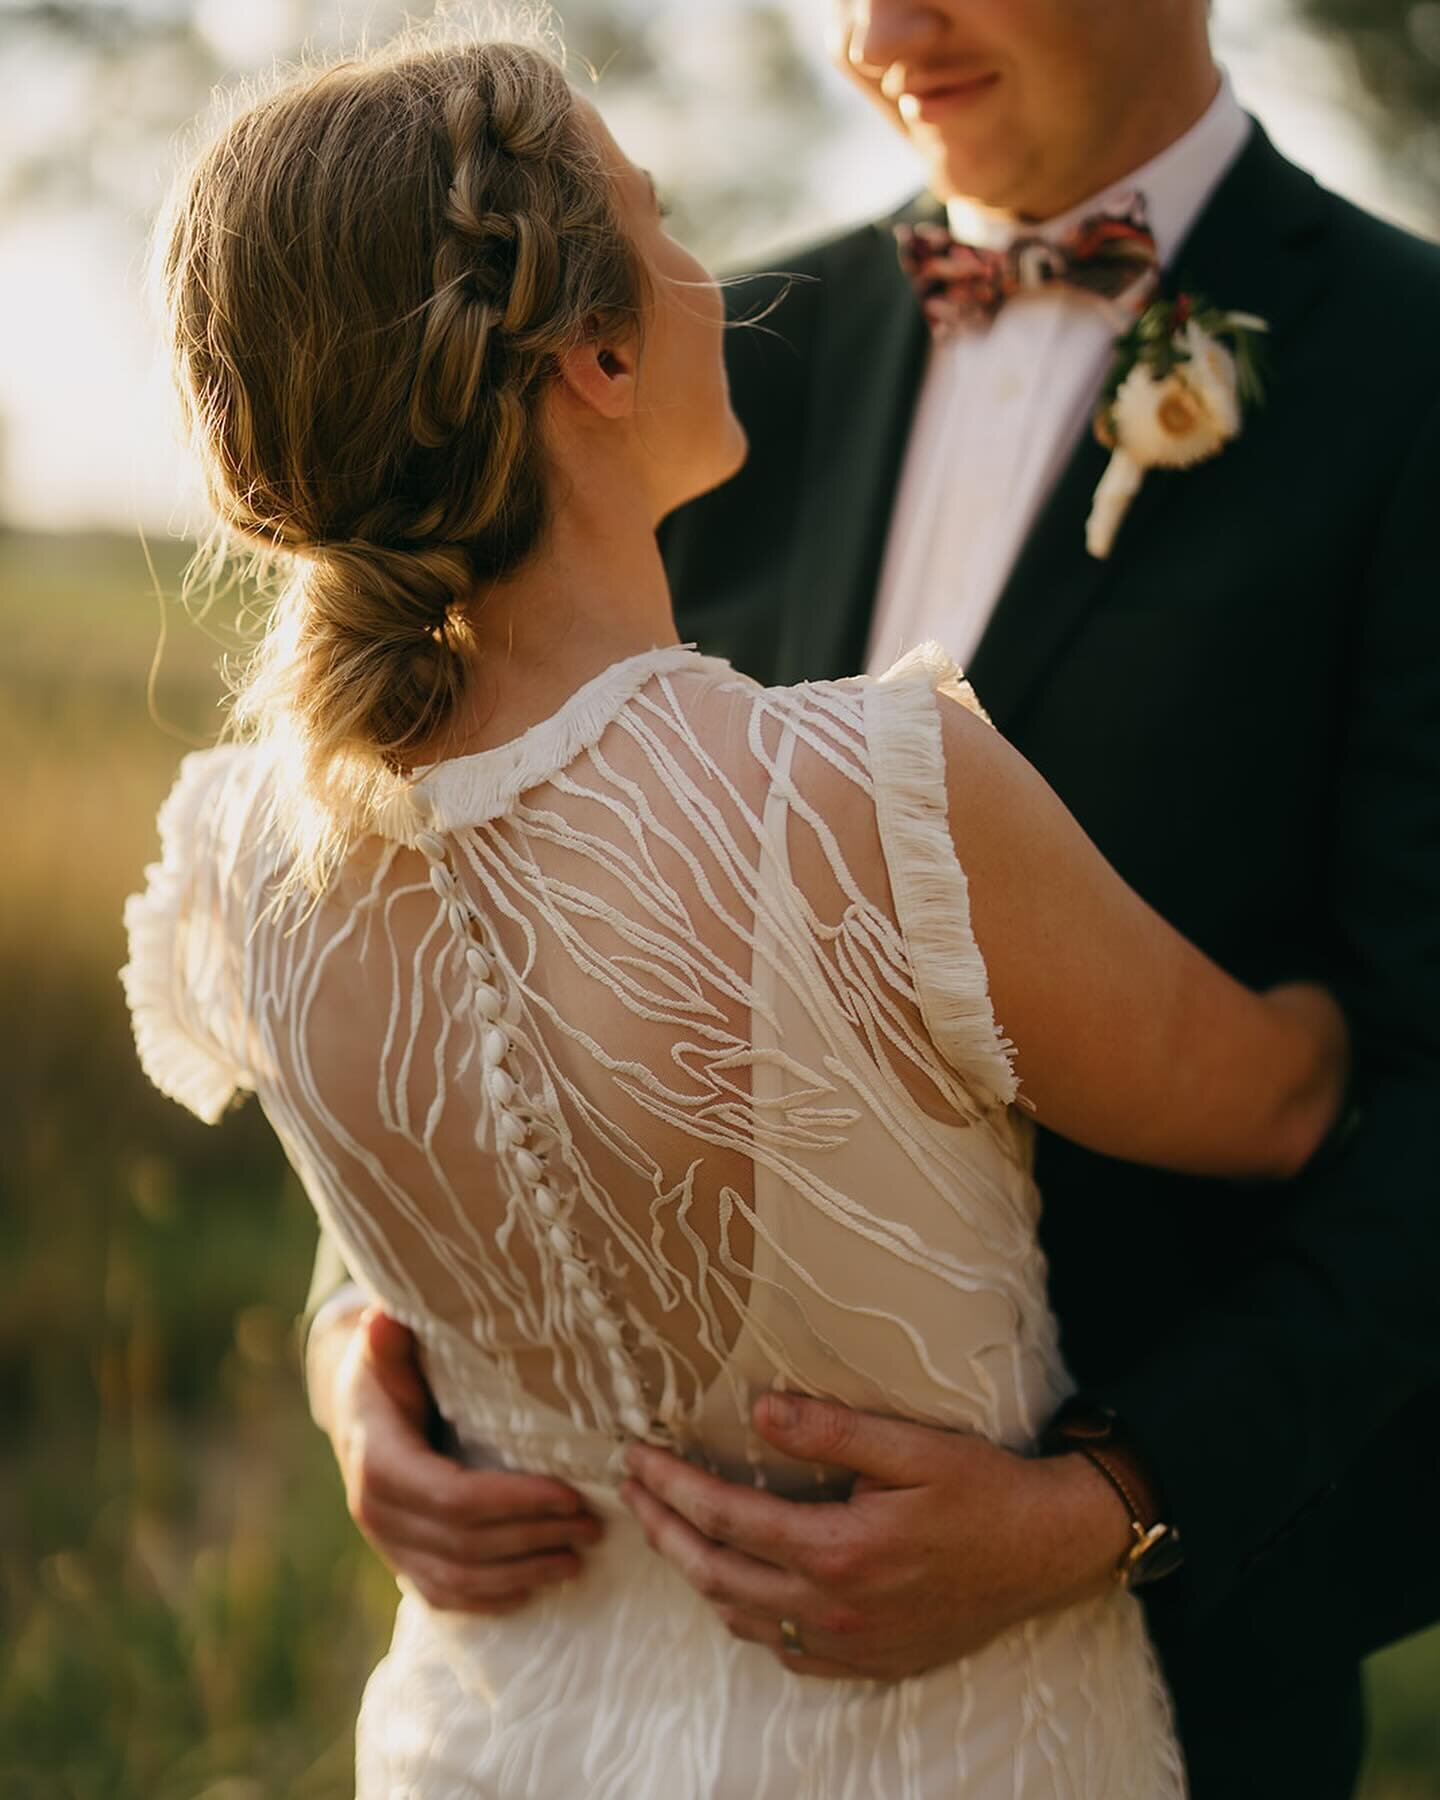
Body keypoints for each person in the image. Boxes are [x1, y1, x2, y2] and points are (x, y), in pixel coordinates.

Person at [124, 24, 1357, 1800]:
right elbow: (1282, 1104)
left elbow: (463, 1140)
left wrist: (364, 1362)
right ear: (601, 349)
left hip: (495, 1746)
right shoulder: (868, 793)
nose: (715, 272)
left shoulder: (243, 856)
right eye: (662, 221)